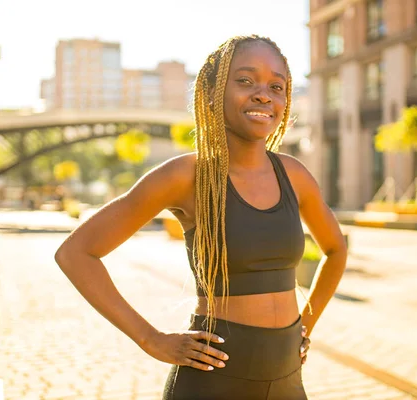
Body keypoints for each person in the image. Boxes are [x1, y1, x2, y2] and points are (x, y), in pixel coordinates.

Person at [54, 34, 348, 400]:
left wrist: (306, 325)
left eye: (277, 86)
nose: (263, 94)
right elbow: (76, 253)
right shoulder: (186, 176)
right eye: (245, 80)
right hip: (213, 381)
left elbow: (335, 250)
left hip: (288, 380)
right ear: (211, 92)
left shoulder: (295, 175)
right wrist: (150, 339)